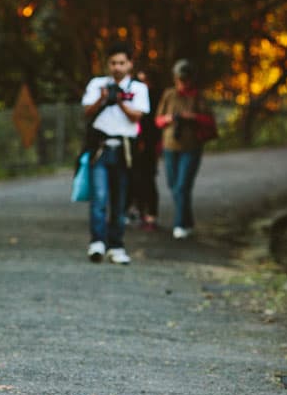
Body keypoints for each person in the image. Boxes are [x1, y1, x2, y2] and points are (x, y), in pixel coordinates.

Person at [80, 42, 151, 264]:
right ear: (107, 64)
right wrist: (104, 98)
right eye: (113, 63)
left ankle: (116, 245)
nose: (117, 67)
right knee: (99, 197)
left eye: (121, 63)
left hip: (125, 150)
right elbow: (87, 111)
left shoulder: (138, 89)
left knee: (120, 200)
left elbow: (137, 116)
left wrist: (119, 100)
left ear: (130, 64)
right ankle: (97, 242)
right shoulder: (97, 85)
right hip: (101, 148)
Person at [155, 59, 210, 239]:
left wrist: (191, 117)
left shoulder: (198, 96)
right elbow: (158, 120)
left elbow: (209, 121)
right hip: (170, 146)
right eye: (180, 79)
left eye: (186, 79)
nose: (183, 83)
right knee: (173, 185)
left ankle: (179, 224)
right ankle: (188, 221)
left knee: (182, 186)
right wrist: (170, 119)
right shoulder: (169, 95)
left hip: (191, 147)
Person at [127, 70, 161, 231]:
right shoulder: (132, 98)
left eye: (145, 81)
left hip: (148, 147)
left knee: (148, 180)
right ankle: (139, 212)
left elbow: (155, 126)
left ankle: (151, 214)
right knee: (135, 180)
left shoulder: (154, 100)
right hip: (133, 146)